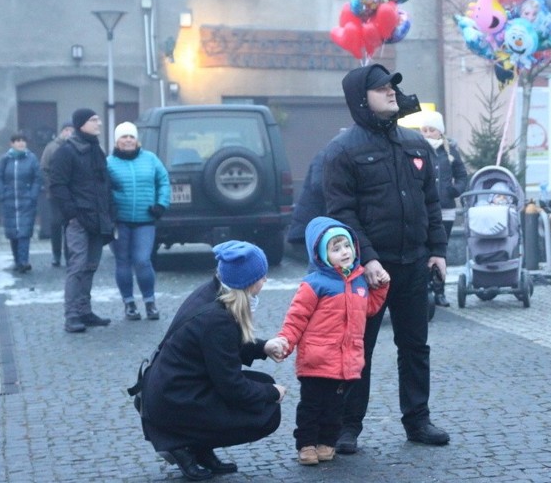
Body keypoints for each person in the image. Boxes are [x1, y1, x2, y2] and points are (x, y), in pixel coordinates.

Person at [323, 63, 450, 453]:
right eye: (381, 88)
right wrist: (368, 259)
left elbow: (431, 202)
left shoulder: (415, 144)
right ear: (362, 99)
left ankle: (418, 420)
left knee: (415, 346)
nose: (391, 92)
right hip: (368, 271)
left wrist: (438, 250)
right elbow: (341, 214)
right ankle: (348, 427)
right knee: (359, 347)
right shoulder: (343, 151)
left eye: (392, 86)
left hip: (413, 263)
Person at [138, 241, 287, 481]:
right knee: (267, 410)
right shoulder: (218, 319)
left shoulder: (213, 292)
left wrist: (263, 346)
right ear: (247, 282)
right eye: (261, 276)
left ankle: (199, 445)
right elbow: (232, 387)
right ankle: (182, 443)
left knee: (262, 383)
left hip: (171, 389)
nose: (265, 280)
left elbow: (219, 348)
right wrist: (271, 393)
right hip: (172, 401)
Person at [275, 217, 388, 466]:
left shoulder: (359, 282)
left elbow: (368, 309)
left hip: (344, 362)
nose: (344, 252)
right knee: (311, 407)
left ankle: (327, 442)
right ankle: (306, 445)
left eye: (346, 246)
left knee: (335, 408)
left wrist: (379, 288)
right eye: (335, 249)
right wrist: (285, 342)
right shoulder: (314, 284)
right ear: (322, 255)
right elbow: (296, 318)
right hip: (316, 360)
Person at [49, 108, 114, 334]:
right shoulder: (66, 152)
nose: (99, 123)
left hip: (98, 219)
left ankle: (84, 311)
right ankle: (72, 316)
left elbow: (104, 185)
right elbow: (57, 185)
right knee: (77, 267)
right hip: (78, 220)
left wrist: (108, 213)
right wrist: (72, 214)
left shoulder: (97, 150)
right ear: (81, 124)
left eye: (97, 119)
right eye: (93, 120)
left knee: (91, 266)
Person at [107, 121, 171, 321]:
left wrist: (161, 204)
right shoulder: (108, 163)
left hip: (146, 219)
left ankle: (150, 302)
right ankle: (129, 304)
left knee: (143, 261)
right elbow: (101, 189)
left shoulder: (151, 159)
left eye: (131, 137)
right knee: (123, 262)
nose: (128, 140)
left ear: (137, 140)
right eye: (123, 137)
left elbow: (163, 181)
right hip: (119, 221)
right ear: (117, 141)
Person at [419, 110, 468, 307]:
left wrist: (454, 190)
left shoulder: (450, 152)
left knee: (441, 250)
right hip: (424, 209)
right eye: (424, 130)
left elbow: (463, 175)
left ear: (440, 132)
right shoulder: (418, 150)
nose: (427, 133)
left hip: (446, 209)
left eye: (431, 130)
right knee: (424, 249)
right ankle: (425, 290)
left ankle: (439, 291)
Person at [0, 132, 43, 273]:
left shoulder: (31, 159)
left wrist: (32, 195)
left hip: (26, 202)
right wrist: (2, 194)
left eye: (23, 141)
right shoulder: (5, 159)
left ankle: (23, 261)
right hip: (9, 202)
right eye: (17, 141)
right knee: (12, 234)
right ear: (12, 143)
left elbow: (38, 178)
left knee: (24, 233)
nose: (21, 143)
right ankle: (17, 260)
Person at [41, 121, 74, 267]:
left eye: (71, 130)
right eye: (66, 130)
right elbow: (44, 168)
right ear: (62, 131)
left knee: (70, 225)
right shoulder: (51, 147)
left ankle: (69, 255)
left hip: (71, 194)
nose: (69, 133)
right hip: (54, 194)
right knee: (55, 224)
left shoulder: (75, 147)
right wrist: (51, 186)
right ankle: (56, 255)